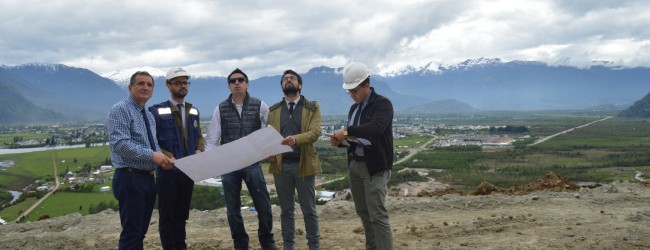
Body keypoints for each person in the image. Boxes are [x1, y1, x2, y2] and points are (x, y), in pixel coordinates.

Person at [205, 68, 278, 250]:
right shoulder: (220, 108)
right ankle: (240, 244)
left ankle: (267, 241)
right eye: (233, 81)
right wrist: (211, 164)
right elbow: (212, 139)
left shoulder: (260, 105)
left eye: (240, 80)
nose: (236, 83)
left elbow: (273, 130)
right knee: (233, 210)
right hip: (229, 165)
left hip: (253, 162)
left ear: (247, 83)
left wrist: (271, 149)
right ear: (229, 86)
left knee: (264, 206)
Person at [330, 62, 394, 250]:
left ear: (367, 85)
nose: (351, 95)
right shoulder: (354, 109)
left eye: (354, 90)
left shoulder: (382, 104)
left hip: (374, 168)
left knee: (377, 215)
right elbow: (356, 138)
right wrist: (341, 142)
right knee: (364, 214)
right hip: (356, 166)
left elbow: (375, 128)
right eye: (349, 91)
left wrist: (347, 131)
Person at [107, 71, 174, 249]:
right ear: (131, 88)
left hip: (147, 178)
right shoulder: (121, 109)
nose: (145, 87)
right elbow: (120, 144)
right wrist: (153, 156)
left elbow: (152, 146)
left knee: (140, 232)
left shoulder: (149, 116)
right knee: (131, 233)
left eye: (149, 84)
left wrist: (164, 158)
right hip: (129, 178)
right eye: (141, 83)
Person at [149, 67, 205, 250]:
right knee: (167, 216)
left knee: (182, 214)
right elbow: (151, 140)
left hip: (188, 171)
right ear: (168, 85)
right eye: (178, 83)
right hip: (168, 172)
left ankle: (180, 246)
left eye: (185, 83)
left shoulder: (193, 110)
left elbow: (198, 136)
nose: (183, 86)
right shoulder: (156, 111)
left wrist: (199, 149)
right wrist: (166, 156)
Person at [266, 70, 322, 250]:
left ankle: (314, 246)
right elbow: (268, 137)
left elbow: (315, 132)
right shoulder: (273, 111)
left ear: (300, 84)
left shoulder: (312, 107)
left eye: (292, 78)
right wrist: (269, 152)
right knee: (286, 212)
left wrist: (295, 139)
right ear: (282, 86)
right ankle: (288, 246)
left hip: (303, 165)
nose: (288, 81)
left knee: (309, 211)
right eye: (285, 79)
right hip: (281, 167)